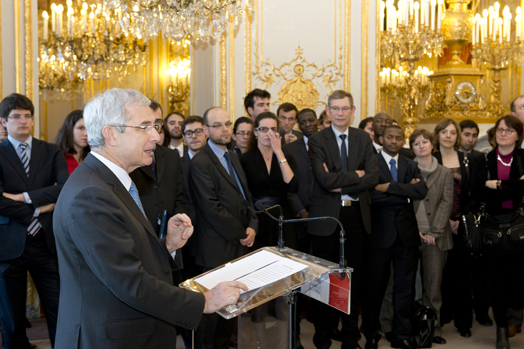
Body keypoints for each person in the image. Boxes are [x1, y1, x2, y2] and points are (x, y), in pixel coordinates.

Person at [52, 89, 246, 348]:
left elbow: (121, 257)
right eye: (145, 127)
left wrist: (166, 245)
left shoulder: (109, 181)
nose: (156, 136)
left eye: (155, 126)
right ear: (110, 135)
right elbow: (129, 283)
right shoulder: (91, 194)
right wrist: (206, 301)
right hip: (109, 338)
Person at [308, 90, 379, 349]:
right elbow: (323, 180)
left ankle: (351, 338)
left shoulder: (363, 138)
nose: (339, 113)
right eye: (335, 108)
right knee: (325, 279)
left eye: (344, 108)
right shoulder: (317, 140)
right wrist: (355, 176)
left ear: (353, 109)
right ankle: (323, 337)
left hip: (357, 217)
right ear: (327, 110)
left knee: (354, 280)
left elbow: (372, 177)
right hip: (328, 218)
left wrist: (342, 180)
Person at [0, 93, 69, 348]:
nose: (23, 121)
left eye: (28, 116)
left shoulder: (51, 151)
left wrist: (21, 197)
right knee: (12, 318)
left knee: (59, 310)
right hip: (8, 245)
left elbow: (65, 187)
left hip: (46, 242)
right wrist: (37, 209)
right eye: (16, 116)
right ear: (3, 122)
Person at [189, 107, 258, 349]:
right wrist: (242, 233)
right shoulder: (200, 162)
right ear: (206, 130)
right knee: (210, 321)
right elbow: (211, 209)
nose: (225, 129)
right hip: (216, 248)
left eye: (227, 124)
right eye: (218, 125)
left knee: (230, 312)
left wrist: (253, 225)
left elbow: (246, 198)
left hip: (238, 246)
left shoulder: (232, 156)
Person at [362, 125, 427, 349]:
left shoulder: (410, 163)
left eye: (399, 138)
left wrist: (388, 187)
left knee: (404, 287)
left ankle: (401, 334)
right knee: (375, 287)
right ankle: (371, 333)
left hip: (407, 236)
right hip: (379, 236)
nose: (394, 141)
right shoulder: (371, 162)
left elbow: (421, 192)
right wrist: (404, 193)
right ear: (381, 138)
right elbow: (371, 197)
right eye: (390, 137)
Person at [239, 111, 298, 348]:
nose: (269, 134)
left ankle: (286, 341)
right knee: (259, 287)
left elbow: (292, 185)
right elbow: (243, 195)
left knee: (285, 285)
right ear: (255, 132)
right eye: (263, 129)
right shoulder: (244, 159)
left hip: (283, 221)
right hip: (257, 221)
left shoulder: (286, 157)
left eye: (274, 129)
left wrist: (279, 151)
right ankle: (260, 342)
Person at [471, 114, 524, 349]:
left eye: (508, 130)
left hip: (520, 228)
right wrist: (514, 187)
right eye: (500, 130)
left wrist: (497, 185)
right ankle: (501, 329)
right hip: (493, 229)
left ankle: (513, 317)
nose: (503, 134)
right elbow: (477, 192)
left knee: (517, 282)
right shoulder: (483, 161)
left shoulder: (523, 158)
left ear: (518, 136)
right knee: (498, 283)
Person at [410, 128, 454, 344]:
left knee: (433, 286)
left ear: (432, 145)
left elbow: (447, 203)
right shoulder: (407, 170)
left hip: (436, 237)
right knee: (407, 284)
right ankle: (410, 326)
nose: (421, 146)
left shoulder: (445, 173)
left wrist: (434, 232)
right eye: (416, 143)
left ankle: (432, 329)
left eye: (425, 142)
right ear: (411, 148)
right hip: (410, 235)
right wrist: (414, 230)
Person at [433, 118, 475, 338]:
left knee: (462, 274)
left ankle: (464, 322)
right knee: (440, 274)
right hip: (438, 224)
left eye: (452, 132)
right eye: (444, 132)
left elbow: (472, 193)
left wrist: (460, 218)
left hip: (462, 224)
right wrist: (445, 219)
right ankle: (442, 314)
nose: (448, 136)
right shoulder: (431, 159)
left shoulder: (466, 160)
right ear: (437, 135)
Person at [129, 99, 189, 236]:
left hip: (172, 232)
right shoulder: (131, 157)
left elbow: (181, 196)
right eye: (147, 124)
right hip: (141, 233)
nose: (154, 130)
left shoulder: (172, 156)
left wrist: (178, 226)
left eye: (158, 123)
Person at [284, 108, 319, 254]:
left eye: (311, 120)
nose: (308, 124)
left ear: (317, 121)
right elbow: (287, 185)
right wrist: (301, 211)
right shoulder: (288, 149)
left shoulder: (329, 145)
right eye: (303, 122)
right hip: (298, 216)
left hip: (324, 213)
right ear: (299, 126)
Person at [55, 109, 90, 174]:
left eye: (89, 128)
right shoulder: (57, 157)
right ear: (69, 130)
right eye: (81, 128)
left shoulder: (95, 156)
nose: (86, 133)